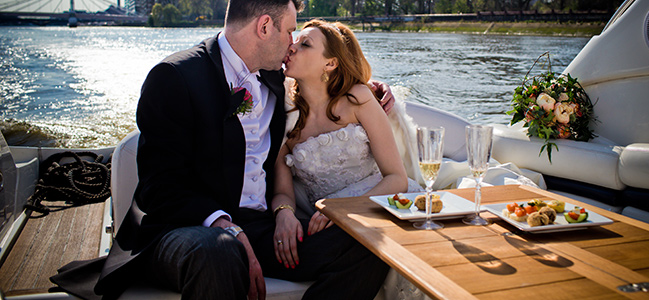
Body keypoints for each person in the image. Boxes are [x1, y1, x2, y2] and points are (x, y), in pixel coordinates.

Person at [50, 0, 394, 299]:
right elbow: (161, 188)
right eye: (290, 31)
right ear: (264, 27)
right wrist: (226, 226)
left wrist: (374, 89)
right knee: (219, 252)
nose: (291, 44)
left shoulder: (276, 77)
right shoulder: (175, 77)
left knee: (369, 244)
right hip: (186, 229)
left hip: (261, 227)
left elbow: (326, 84)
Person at [272, 20, 427, 299]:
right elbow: (283, 190)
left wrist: (340, 208)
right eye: (295, 41)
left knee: (373, 239)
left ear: (330, 64)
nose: (292, 47)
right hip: (326, 224)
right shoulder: (283, 112)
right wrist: (284, 213)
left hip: (379, 202)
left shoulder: (358, 98)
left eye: (305, 44)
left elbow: (397, 178)